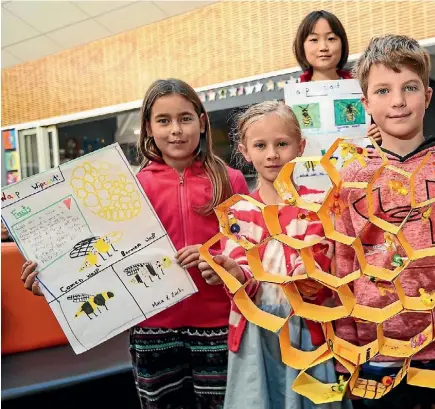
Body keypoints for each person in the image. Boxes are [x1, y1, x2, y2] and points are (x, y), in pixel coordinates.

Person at [21, 78, 250, 408]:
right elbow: (99, 252)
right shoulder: (128, 186)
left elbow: (248, 247)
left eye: (185, 118)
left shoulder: (231, 180)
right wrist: (56, 281)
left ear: (201, 123)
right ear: (148, 127)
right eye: (163, 120)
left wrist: (220, 261)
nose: (176, 130)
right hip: (151, 328)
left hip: (218, 324)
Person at [333, 34, 435, 409]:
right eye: (383, 91)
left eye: (409, 87)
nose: (398, 101)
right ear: (365, 103)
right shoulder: (352, 175)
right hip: (379, 346)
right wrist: (347, 343)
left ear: (428, 95)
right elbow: (342, 262)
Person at [197, 101, 351, 409]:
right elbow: (242, 279)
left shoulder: (317, 206)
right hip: (255, 336)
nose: (271, 154)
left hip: (306, 331)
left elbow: (317, 270)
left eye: (281, 144)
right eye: (260, 145)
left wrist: (306, 274)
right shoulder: (238, 212)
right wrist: (230, 271)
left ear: (299, 146)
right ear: (244, 150)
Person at [293, 9, 381, 144]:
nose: (323, 47)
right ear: (301, 46)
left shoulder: (363, 88)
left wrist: (379, 133)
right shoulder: (293, 100)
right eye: (314, 39)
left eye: (331, 38)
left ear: (342, 43)